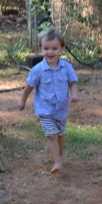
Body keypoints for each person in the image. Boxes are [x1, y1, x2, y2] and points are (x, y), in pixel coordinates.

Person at [18, 27, 79, 174]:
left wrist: (74, 94)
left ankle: (60, 156)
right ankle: (56, 162)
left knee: (60, 135)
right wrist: (23, 100)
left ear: (61, 49)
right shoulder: (37, 70)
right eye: (46, 48)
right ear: (41, 49)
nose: (50, 52)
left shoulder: (66, 67)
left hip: (61, 110)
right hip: (45, 110)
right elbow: (29, 86)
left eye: (54, 48)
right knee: (52, 135)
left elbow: (72, 82)